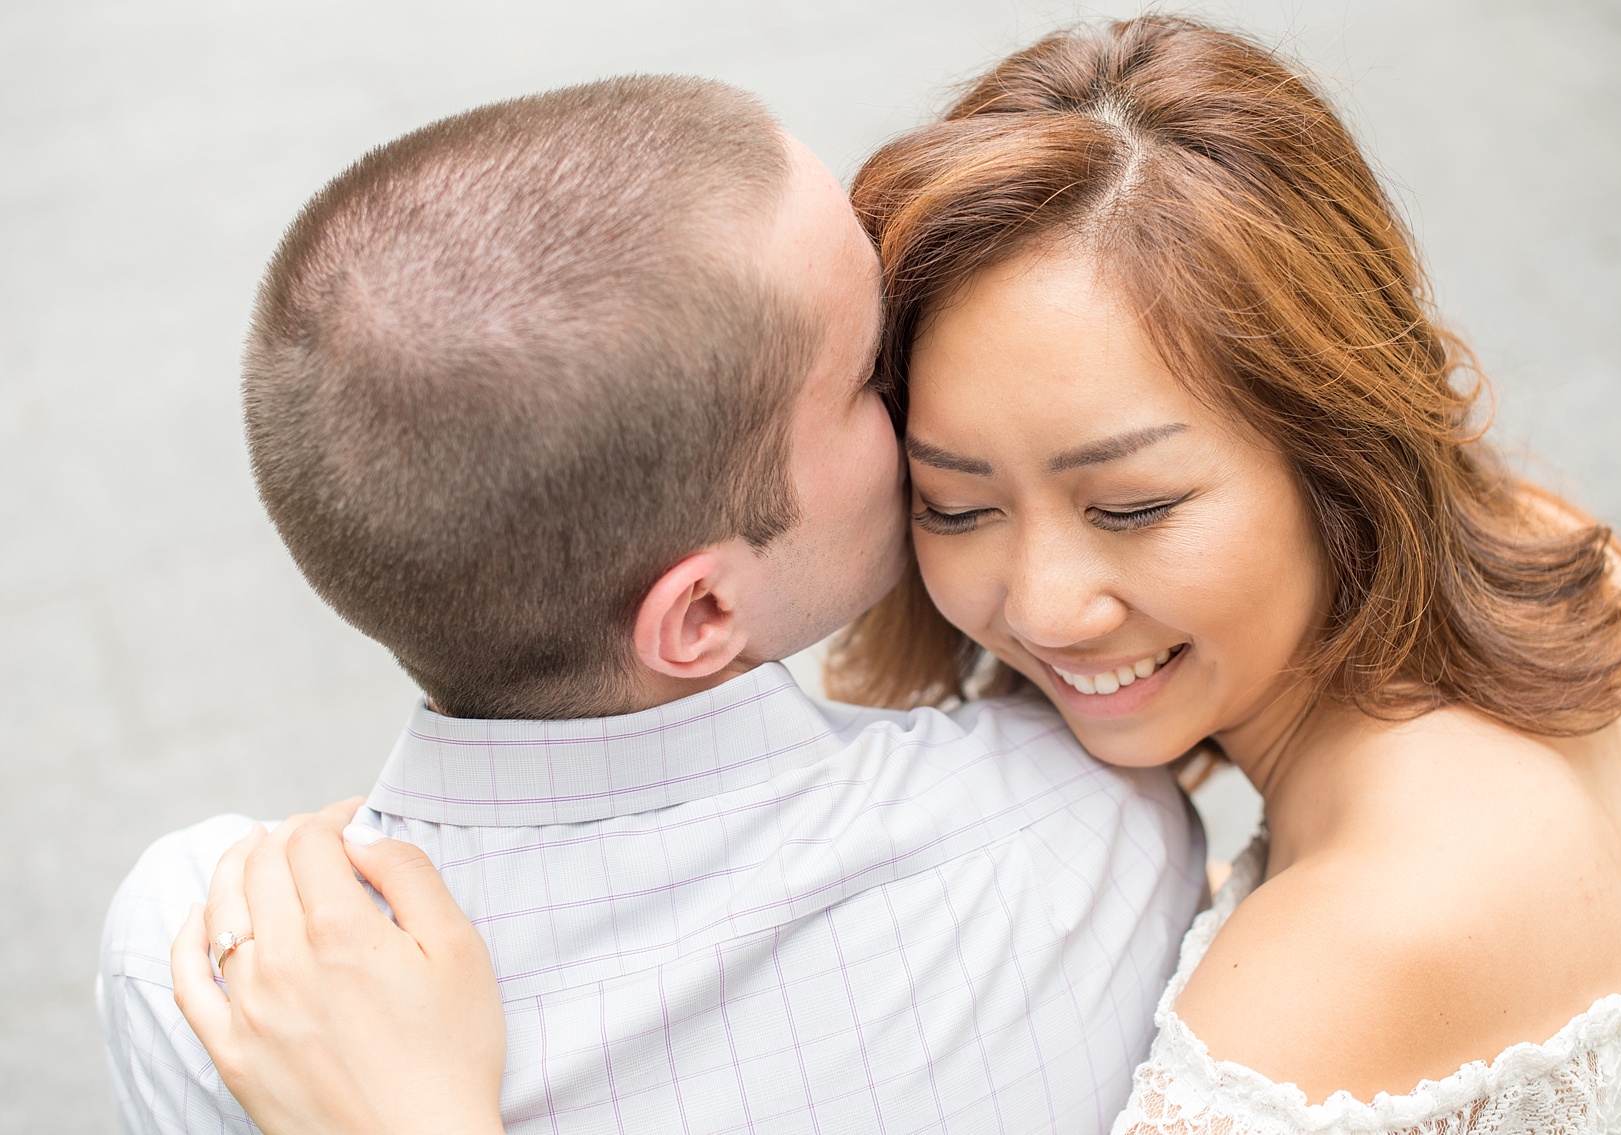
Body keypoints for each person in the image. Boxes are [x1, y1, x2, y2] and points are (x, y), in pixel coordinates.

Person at [169, 14, 1621, 1135]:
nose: (1042, 602)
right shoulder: (1557, 552)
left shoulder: (1342, 958)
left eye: (1134, 503)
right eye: (955, 503)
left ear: (1334, 432)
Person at [97, 75, 1205, 1135]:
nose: (922, 385)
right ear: (700, 615)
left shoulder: (199, 955)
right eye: (870, 373)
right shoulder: (1076, 834)